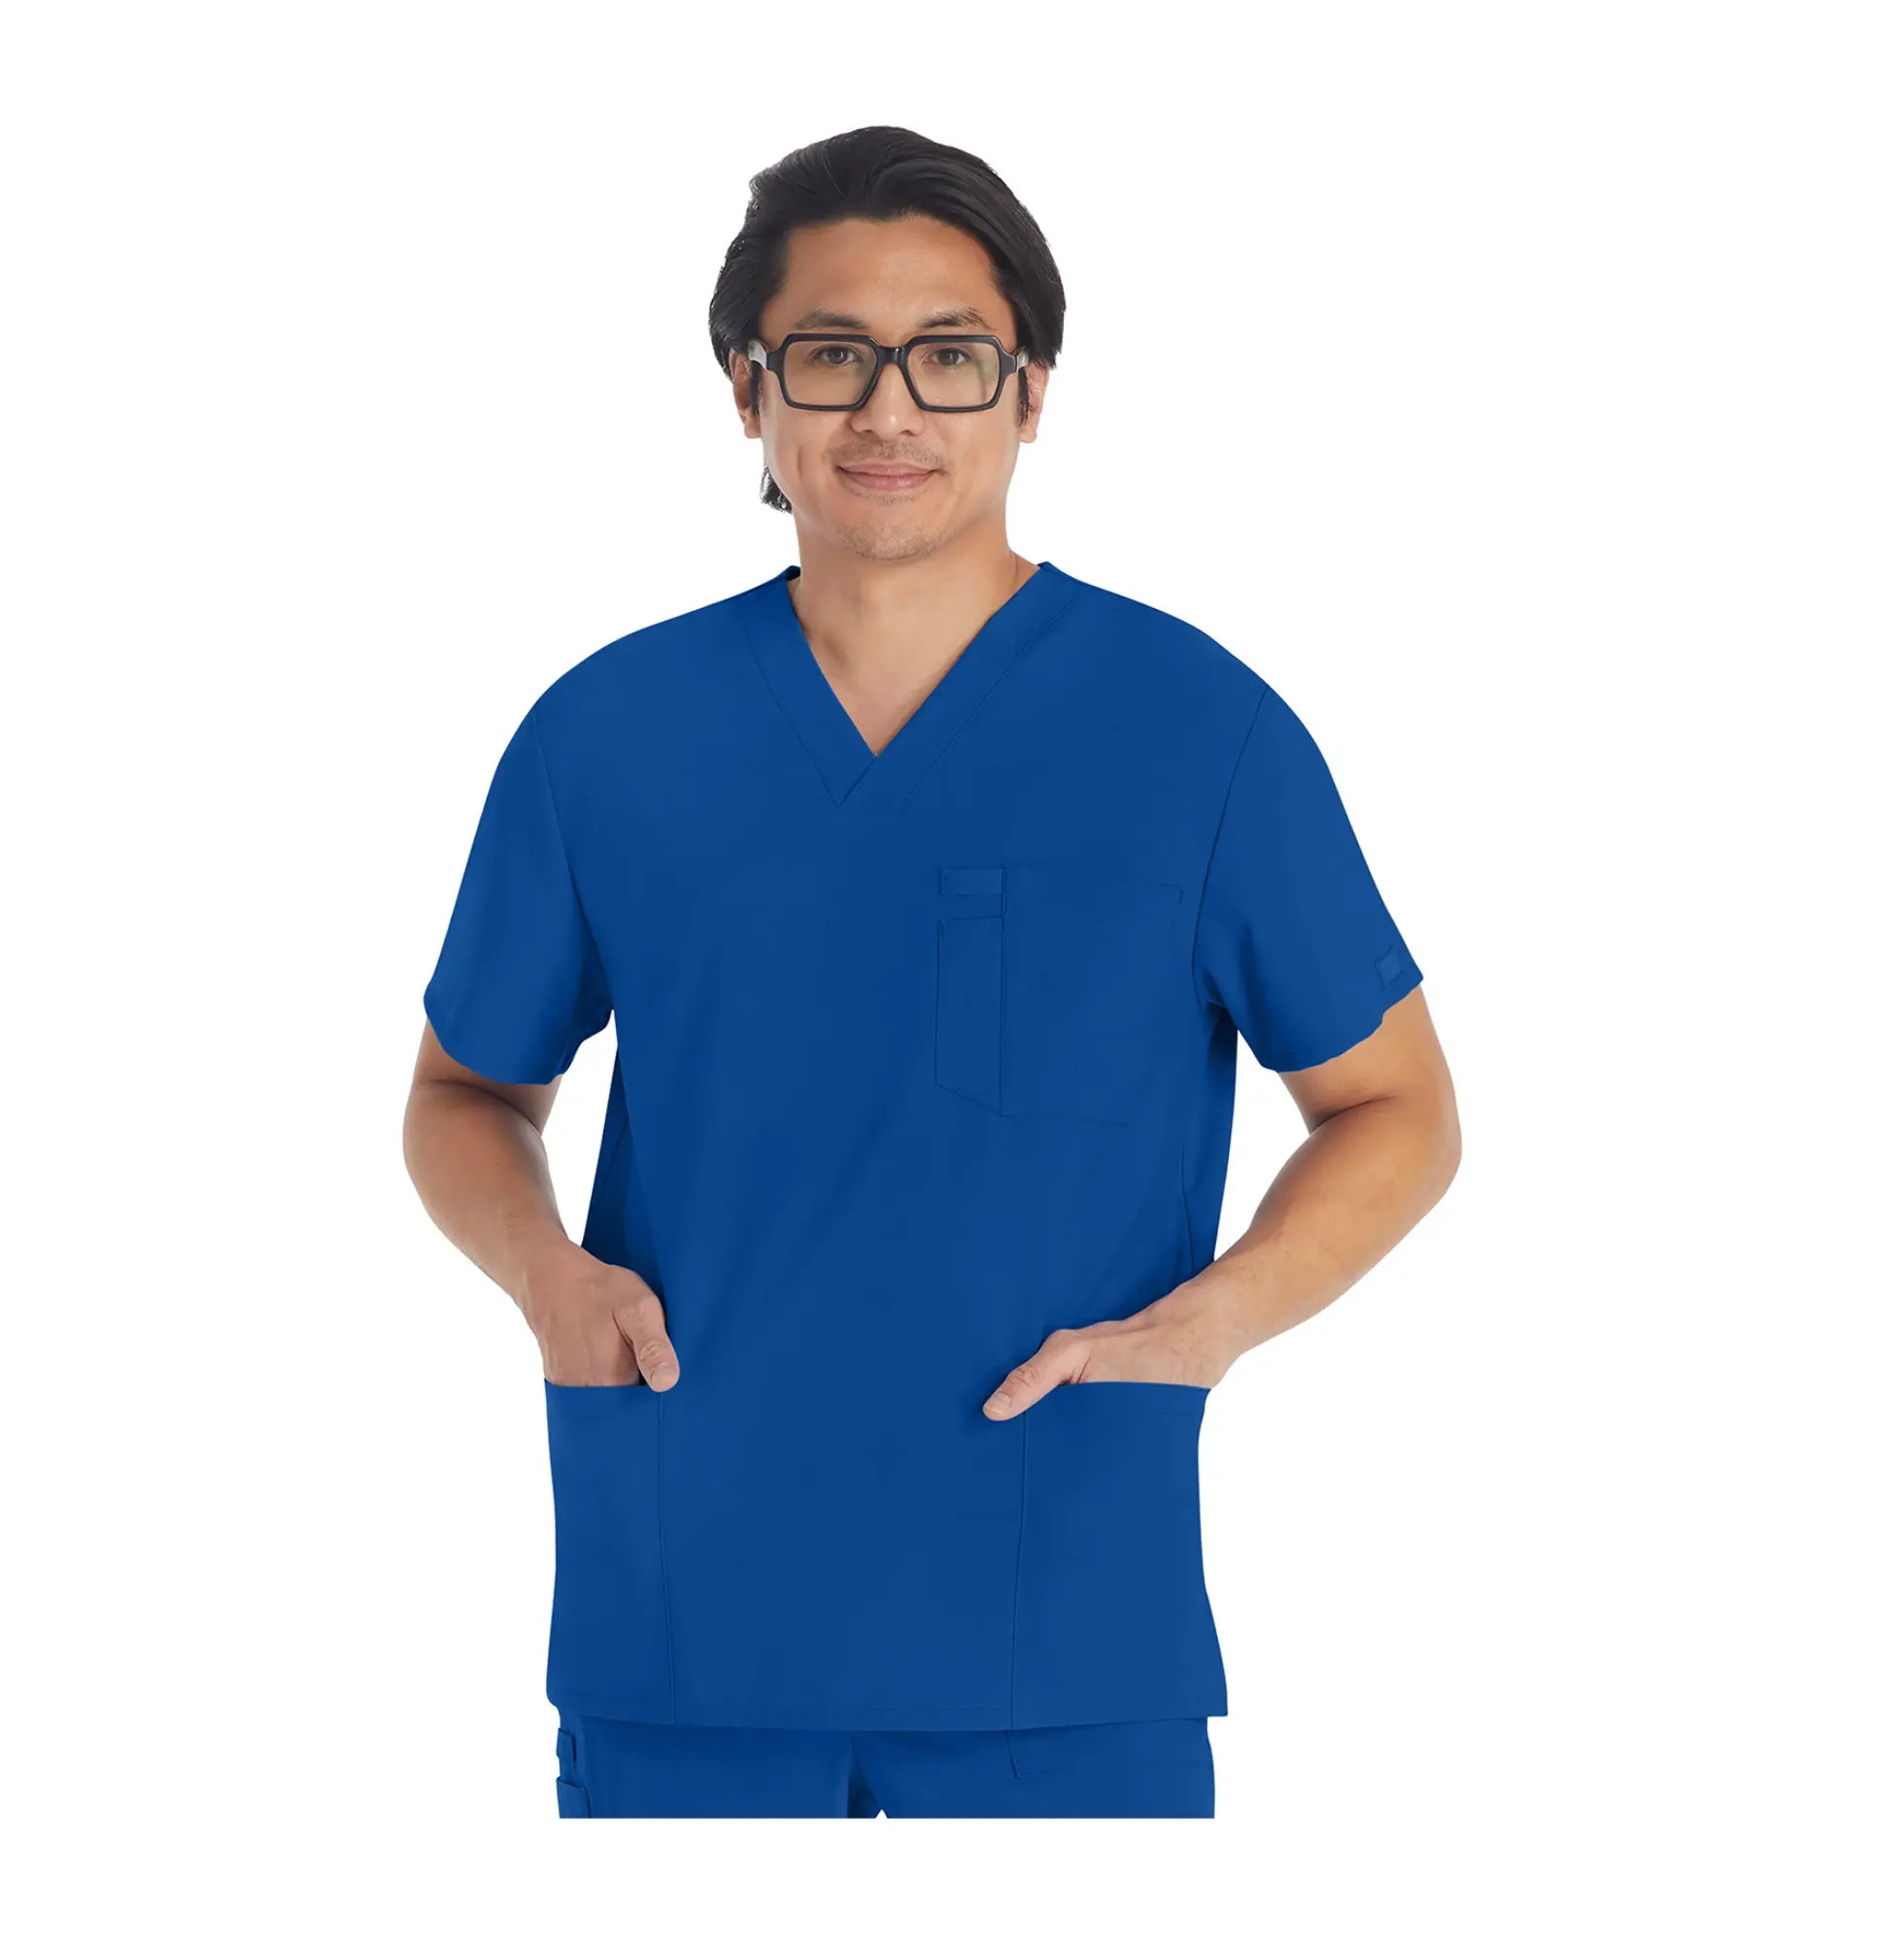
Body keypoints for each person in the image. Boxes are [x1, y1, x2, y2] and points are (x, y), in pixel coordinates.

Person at [402, 124, 1461, 1820]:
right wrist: (544, 1275)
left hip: (1064, 1606)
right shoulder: (607, 736)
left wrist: (1215, 1321)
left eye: (950, 357)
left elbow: (1397, 1105)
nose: (888, 411)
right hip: (689, 1603)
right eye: (831, 356)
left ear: (1030, 394)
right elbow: (466, 1092)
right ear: (747, 393)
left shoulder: (1199, 732)